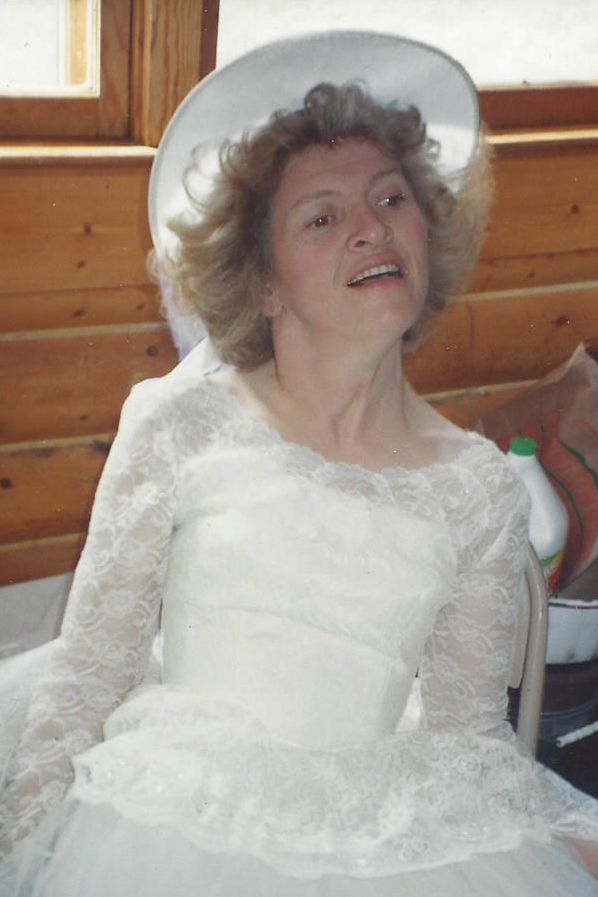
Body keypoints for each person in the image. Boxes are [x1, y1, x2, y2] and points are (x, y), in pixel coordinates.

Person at [1, 31, 598, 896]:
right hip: (167, 826)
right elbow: (83, 690)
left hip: (379, 845)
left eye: (391, 198)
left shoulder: (474, 486)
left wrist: (553, 839)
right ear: (263, 284)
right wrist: (26, 864)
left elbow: (464, 743)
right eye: (323, 216)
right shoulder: (180, 423)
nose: (371, 227)